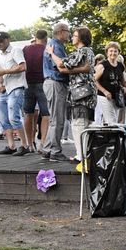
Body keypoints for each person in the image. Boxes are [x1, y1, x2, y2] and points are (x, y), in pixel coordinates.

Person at [46, 27, 96, 163]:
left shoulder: (82, 51)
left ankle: (81, 156)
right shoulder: (87, 52)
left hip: (81, 93)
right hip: (86, 93)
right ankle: (84, 154)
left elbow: (61, 65)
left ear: (80, 38)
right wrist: (78, 69)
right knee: (83, 124)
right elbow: (82, 69)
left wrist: (51, 53)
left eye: (74, 35)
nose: (72, 37)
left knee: (79, 124)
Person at [0, 32, 31, 157]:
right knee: (3, 118)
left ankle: (24, 145)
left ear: (8, 39)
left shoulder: (16, 51)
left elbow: (23, 67)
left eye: (1, 41)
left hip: (16, 87)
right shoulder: (0, 55)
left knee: (13, 116)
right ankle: (11, 146)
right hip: (6, 88)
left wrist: (5, 71)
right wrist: (0, 85)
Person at [42, 23, 71, 161]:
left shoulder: (54, 44)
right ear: (60, 32)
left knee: (54, 118)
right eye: (67, 31)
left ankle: (47, 148)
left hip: (51, 83)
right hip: (56, 83)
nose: (69, 34)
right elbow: (61, 66)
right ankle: (55, 151)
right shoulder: (56, 46)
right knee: (58, 119)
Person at [22, 30, 50, 153]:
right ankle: (42, 143)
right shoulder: (47, 49)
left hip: (27, 83)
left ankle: (29, 143)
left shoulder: (26, 49)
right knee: (46, 114)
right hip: (42, 83)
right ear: (46, 38)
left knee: (28, 113)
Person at [94, 42, 126, 125]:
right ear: (107, 52)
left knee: (112, 120)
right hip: (104, 97)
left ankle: (109, 137)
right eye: (111, 51)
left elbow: (123, 82)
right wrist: (105, 91)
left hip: (116, 96)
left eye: (115, 51)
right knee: (112, 120)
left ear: (118, 52)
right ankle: (114, 138)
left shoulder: (120, 66)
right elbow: (94, 81)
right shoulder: (103, 65)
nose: (113, 53)